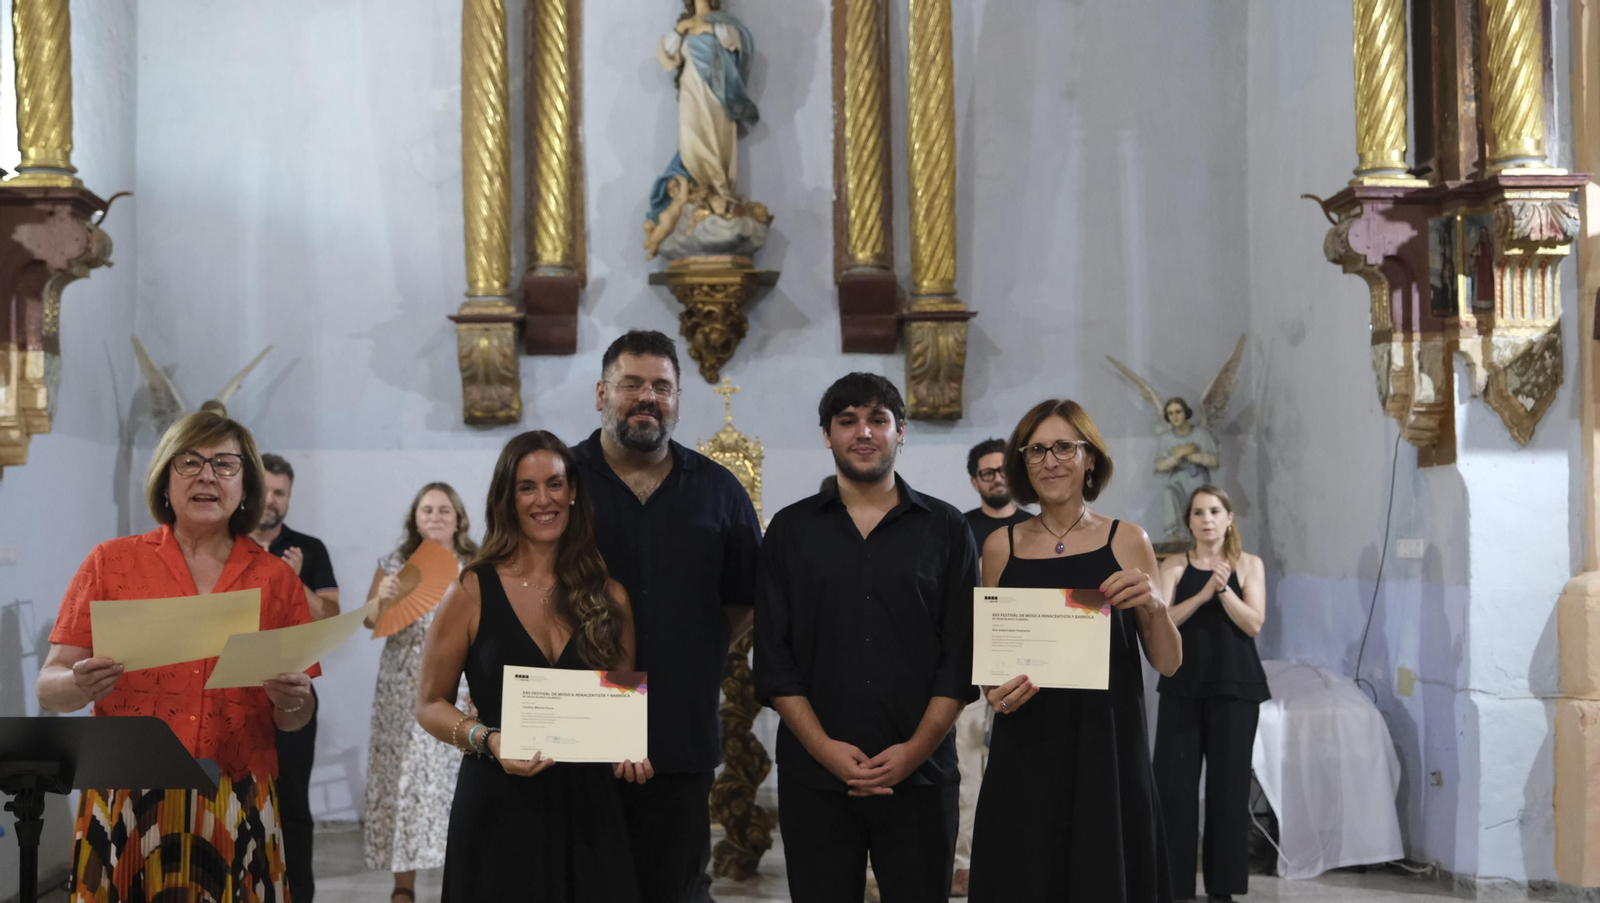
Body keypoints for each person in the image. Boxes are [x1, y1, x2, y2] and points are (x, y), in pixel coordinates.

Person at [37, 411, 317, 902]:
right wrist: (80, 683)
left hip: (236, 795)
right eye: (190, 462)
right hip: (127, 794)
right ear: (165, 481)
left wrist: (295, 700)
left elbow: (296, 719)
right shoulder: (111, 563)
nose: (207, 475)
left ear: (246, 486)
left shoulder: (276, 580)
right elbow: (50, 687)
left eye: (225, 464)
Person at [754, 372, 978, 903]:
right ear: (826, 434)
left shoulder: (946, 528)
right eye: (847, 420)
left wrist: (915, 750)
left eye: (878, 419)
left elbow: (963, 654)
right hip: (816, 778)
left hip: (921, 776)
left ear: (901, 432)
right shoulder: (789, 531)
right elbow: (774, 656)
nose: (863, 432)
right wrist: (825, 749)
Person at [572, 329, 762, 903]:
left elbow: (745, 594)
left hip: (680, 724)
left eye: (662, 387)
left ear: (678, 399)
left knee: (676, 888)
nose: (647, 398)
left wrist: (695, 648)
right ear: (602, 392)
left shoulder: (719, 490)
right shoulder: (562, 480)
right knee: (582, 885)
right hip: (580, 721)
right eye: (632, 384)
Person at [969, 398, 1183, 903]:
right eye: (1037, 449)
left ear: (1090, 458)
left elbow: (1169, 662)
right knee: (1025, 874)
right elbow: (991, 663)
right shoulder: (1002, 546)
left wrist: (1154, 605)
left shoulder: (1128, 539)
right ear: (1023, 464)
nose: (1050, 460)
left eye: (1064, 446)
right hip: (1027, 743)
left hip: (1106, 743)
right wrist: (995, 692)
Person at [418, 430, 641, 902]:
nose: (545, 499)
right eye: (527, 487)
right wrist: (488, 739)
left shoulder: (611, 596)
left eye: (555, 484)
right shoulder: (472, 590)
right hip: (498, 804)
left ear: (573, 491)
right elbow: (428, 704)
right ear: (507, 498)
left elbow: (623, 715)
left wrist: (630, 750)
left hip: (589, 812)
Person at [363, 482, 480, 903]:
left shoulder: (475, 563)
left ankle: (463, 881)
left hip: (460, 684)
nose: (435, 517)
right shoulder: (395, 564)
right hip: (402, 687)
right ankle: (403, 888)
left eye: (443, 510)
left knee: (457, 785)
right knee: (403, 784)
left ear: (459, 518)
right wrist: (381, 598)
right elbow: (369, 624)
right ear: (415, 517)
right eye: (427, 510)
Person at [1153, 486, 1268, 903]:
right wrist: (1203, 593)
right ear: (1189, 521)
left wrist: (1224, 590)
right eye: (1198, 512)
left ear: (1229, 517)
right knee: (1174, 788)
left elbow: (1253, 624)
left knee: (1229, 788)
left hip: (1236, 689)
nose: (1207, 519)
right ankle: (1173, 885)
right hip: (1183, 686)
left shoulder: (1249, 564)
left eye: (1215, 511)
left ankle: (1223, 888)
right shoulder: (1173, 565)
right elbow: (1162, 620)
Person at [251, 452, 339, 903]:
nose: (271, 500)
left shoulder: (310, 548)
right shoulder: (227, 544)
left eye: (280, 493)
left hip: (290, 690)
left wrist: (293, 580)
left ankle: (299, 894)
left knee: (292, 804)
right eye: (265, 489)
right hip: (233, 693)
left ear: (288, 498)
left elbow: (331, 616)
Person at [950, 439, 1032, 897]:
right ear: (974, 480)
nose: (996, 478)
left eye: (1002, 470)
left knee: (1026, 763)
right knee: (966, 766)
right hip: (972, 658)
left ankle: (1022, 856)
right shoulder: (960, 527)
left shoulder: (1035, 527)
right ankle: (964, 863)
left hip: (1028, 663)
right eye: (986, 473)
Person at [1155, 398, 1219, 543]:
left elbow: (1214, 461)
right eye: (1170, 413)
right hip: (1178, 479)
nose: (1175, 416)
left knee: (1199, 501)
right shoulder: (1166, 439)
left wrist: (1193, 456)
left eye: (1178, 411)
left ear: (1186, 413)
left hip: (1198, 478)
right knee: (1169, 492)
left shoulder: (1200, 434)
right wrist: (1177, 456)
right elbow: (1159, 466)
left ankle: (1200, 535)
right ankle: (1175, 536)